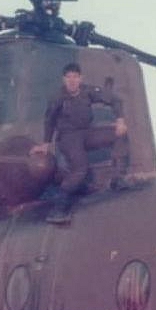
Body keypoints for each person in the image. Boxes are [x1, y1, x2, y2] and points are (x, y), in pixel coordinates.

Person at [31, 62, 131, 224]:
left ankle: (118, 179)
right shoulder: (57, 98)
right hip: (68, 138)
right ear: (64, 79)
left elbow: (114, 100)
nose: (72, 80)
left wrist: (120, 120)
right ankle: (58, 208)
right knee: (80, 169)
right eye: (69, 77)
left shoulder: (87, 91)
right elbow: (49, 121)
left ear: (80, 78)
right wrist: (46, 143)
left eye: (75, 77)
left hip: (86, 132)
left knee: (119, 134)